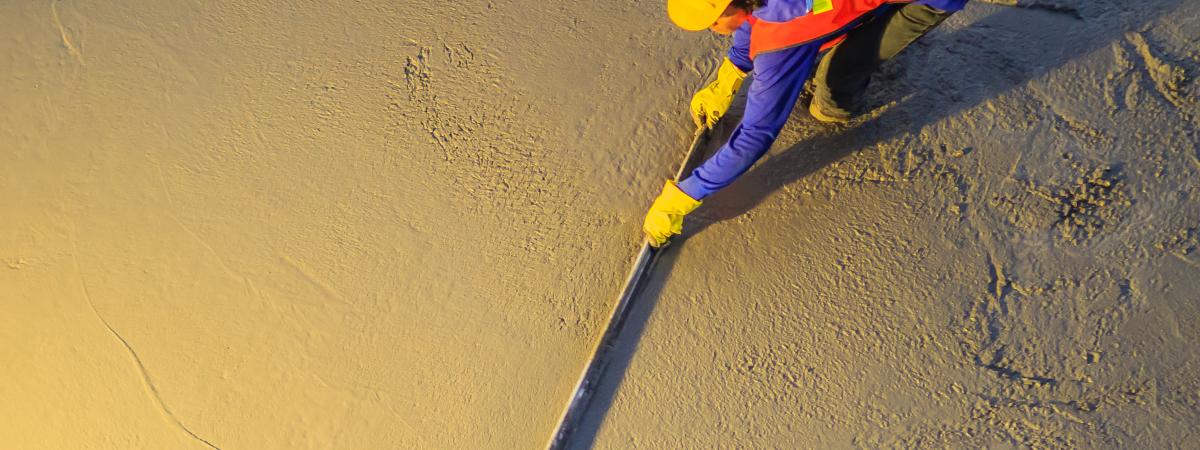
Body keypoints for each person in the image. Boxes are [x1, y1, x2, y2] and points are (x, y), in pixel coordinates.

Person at [643, 0, 968, 247]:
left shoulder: (779, 42)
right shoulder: (756, 8)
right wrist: (730, 74)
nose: (714, 29)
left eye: (713, 21)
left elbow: (754, 136)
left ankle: (841, 95)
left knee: (831, 91)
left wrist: (685, 196)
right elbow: (748, 23)